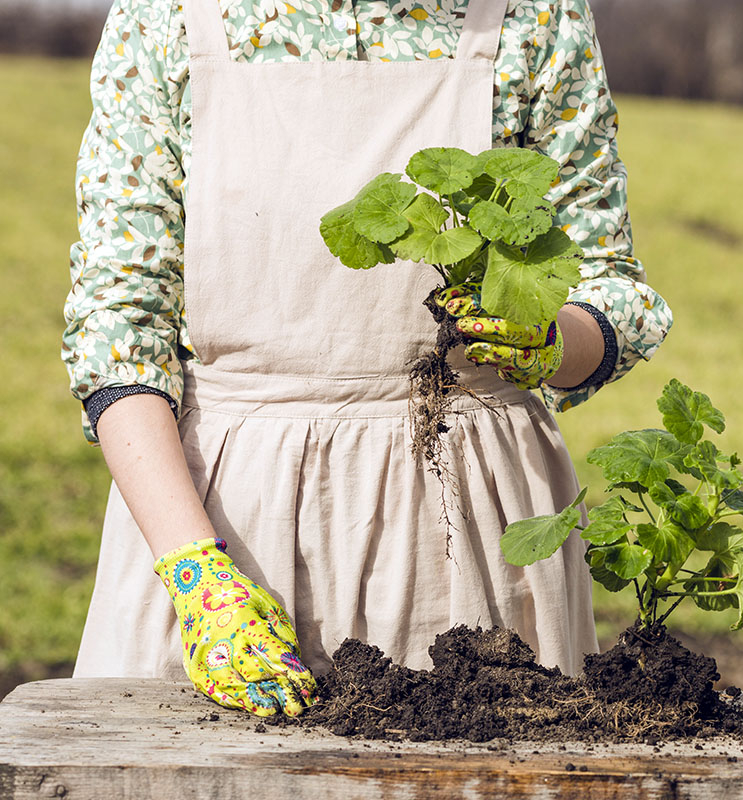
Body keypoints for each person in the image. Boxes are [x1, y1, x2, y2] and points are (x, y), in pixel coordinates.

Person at [62, 0, 672, 717]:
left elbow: (612, 292)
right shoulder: (165, 17)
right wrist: (196, 572)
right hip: (218, 517)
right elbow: (119, 322)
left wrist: (548, 338)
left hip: (474, 524)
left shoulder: (534, 17)